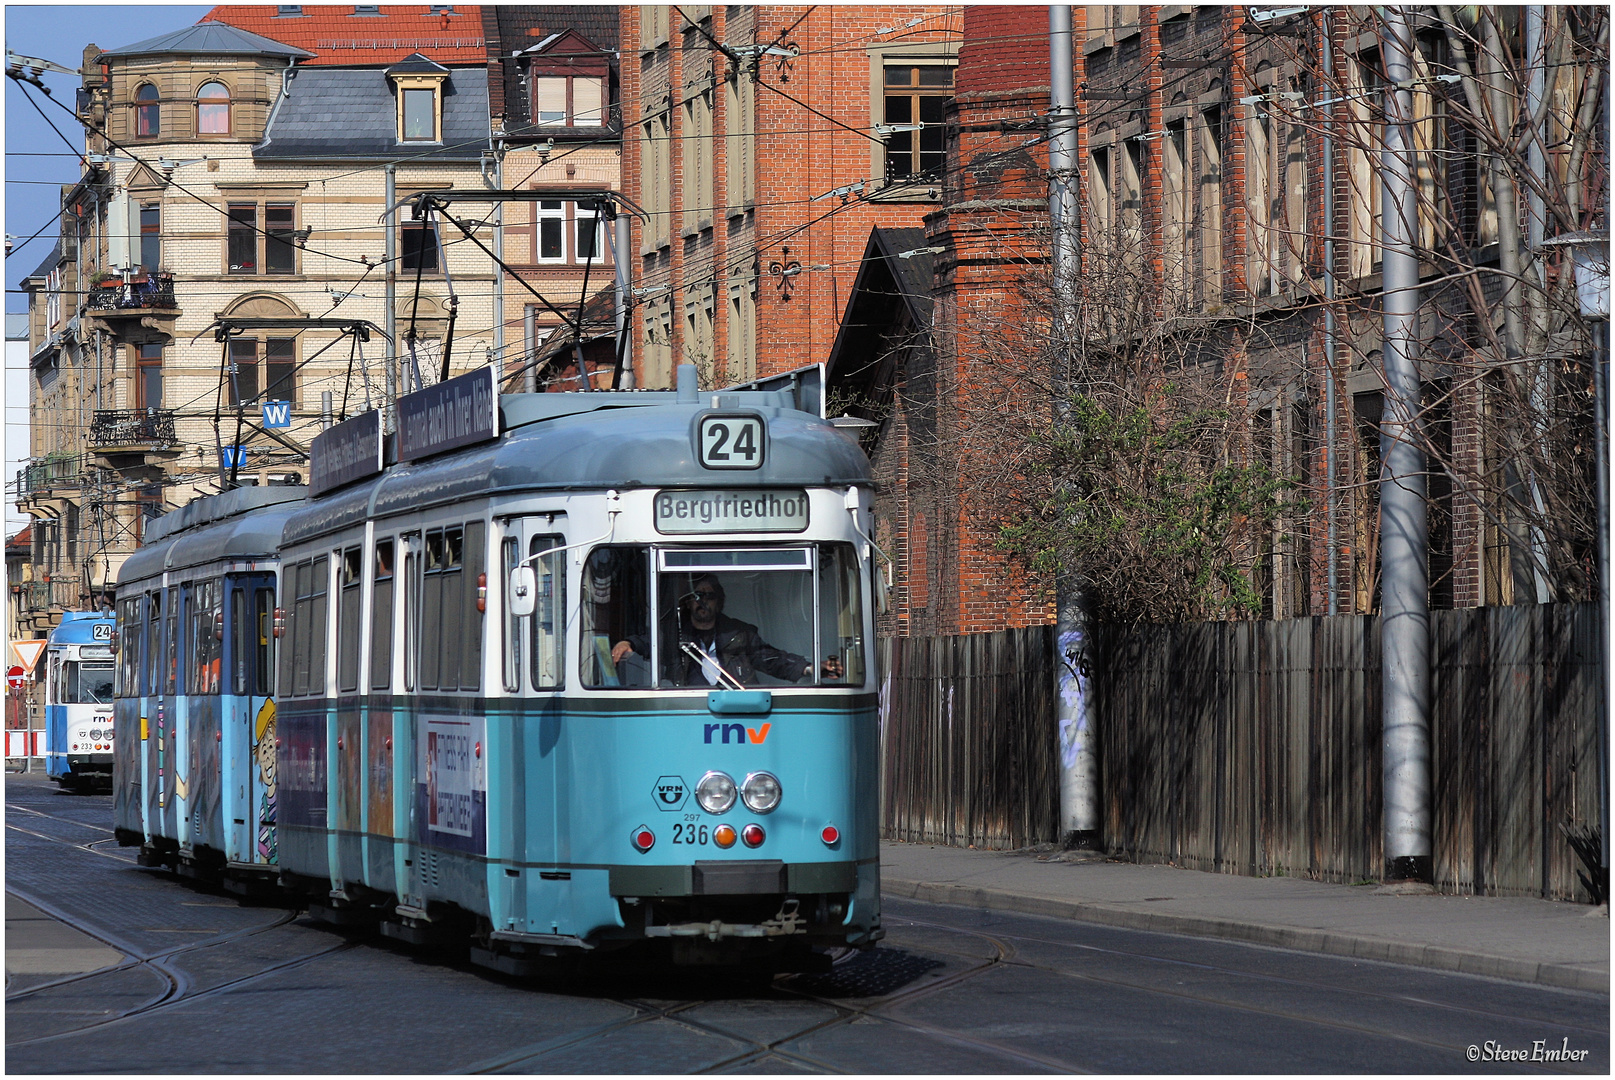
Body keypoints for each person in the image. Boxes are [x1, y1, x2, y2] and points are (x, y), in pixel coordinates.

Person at [611, 574, 843, 687]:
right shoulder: (675, 633)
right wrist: (627, 644)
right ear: (689, 602)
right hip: (685, 711)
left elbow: (771, 659)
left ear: (719, 602)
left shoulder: (740, 633)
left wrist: (811, 668)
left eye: (709, 596)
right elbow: (648, 642)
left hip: (737, 710)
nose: (703, 602)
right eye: (697, 596)